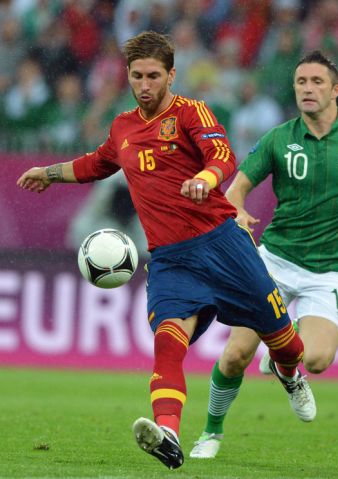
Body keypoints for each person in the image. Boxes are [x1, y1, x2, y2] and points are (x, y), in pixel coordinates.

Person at [17, 31, 313, 471]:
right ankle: (169, 434)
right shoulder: (123, 126)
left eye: (153, 76)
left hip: (222, 244)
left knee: (286, 343)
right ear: (128, 75)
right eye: (137, 76)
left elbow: (222, 156)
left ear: (171, 75)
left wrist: (205, 180)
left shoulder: (191, 112)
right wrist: (50, 172)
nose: (144, 85)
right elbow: (97, 163)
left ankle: (289, 375)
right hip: (171, 259)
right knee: (168, 341)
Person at [190, 50, 338, 459]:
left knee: (316, 360)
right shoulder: (278, 139)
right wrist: (236, 211)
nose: (307, 88)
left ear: (336, 90)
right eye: (301, 81)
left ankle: (285, 366)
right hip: (274, 262)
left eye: (317, 82)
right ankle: (210, 433)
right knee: (235, 356)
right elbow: (235, 191)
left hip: (331, 271)